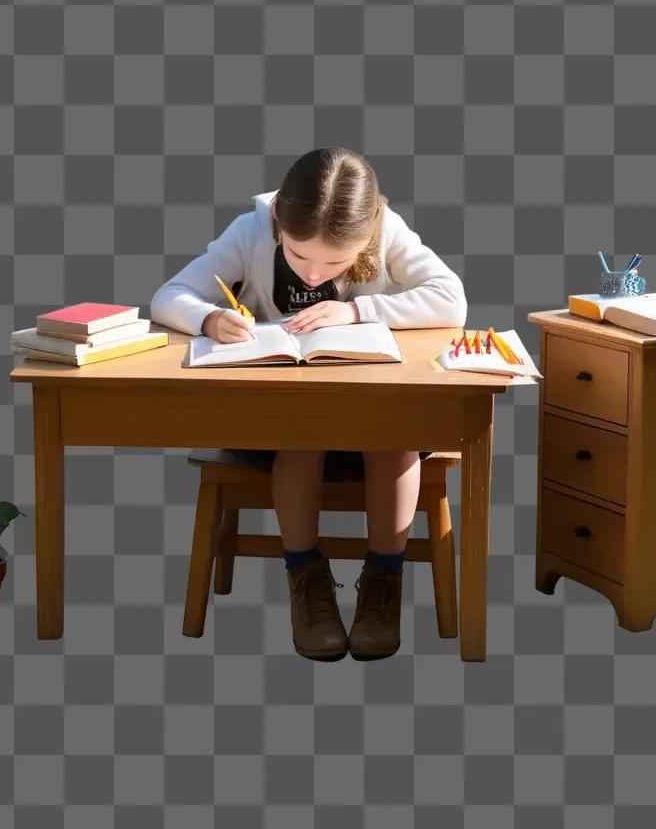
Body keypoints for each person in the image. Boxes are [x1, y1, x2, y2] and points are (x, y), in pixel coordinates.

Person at [150, 147, 467, 661]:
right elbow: (169, 295)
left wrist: (357, 310)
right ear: (279, 221)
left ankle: (384, 581)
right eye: (299, 256)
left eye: (337, 262)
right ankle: (306, 575)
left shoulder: (386, 229)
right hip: (279, 425)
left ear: (368, 234)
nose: (316, 275)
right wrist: (208, 319)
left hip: (374, 417)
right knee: (302, 430)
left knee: (394, 435)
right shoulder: (252, 227)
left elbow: (451, 300)